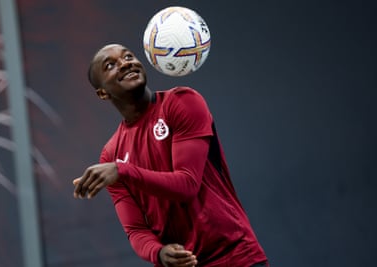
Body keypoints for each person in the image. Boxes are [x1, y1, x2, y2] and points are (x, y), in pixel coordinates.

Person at [73, 43, 269, 267]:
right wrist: (158, 252)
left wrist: (122, 170)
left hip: (236, 257)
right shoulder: (111, 155)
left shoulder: (182, 102)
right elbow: (136, 229)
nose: (126, 63)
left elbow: (187, 184)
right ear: (102, 93)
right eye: (111, 65)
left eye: (128, 56)